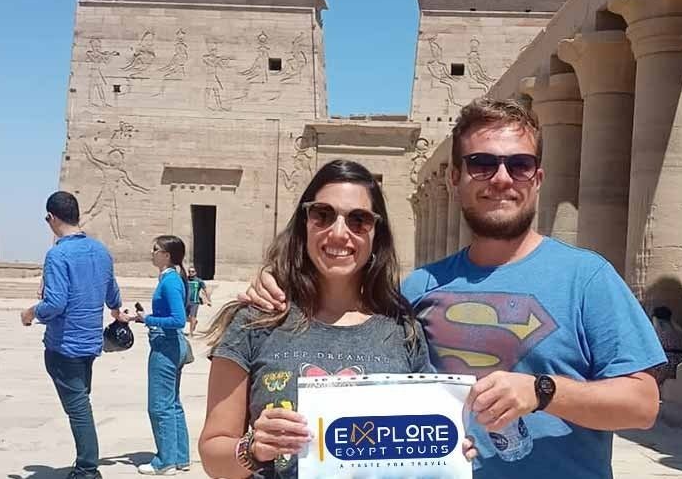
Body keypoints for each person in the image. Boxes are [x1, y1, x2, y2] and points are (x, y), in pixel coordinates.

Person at [244, 98, 666, 479]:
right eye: (482, 163)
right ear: (454, 177)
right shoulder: (419, 287)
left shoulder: (586, 278)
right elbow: (340, 313)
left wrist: (541, 391)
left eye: (518, 165)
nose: (502, 178)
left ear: (537, 178)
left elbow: (642, 405)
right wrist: (276, 285)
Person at [199, 160, 475, 479]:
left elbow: (422, 443)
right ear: (305, 223)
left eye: (358, 220)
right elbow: (213, 456)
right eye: (323, 215)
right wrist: (254, 447)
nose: (339, 233)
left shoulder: (403, 330)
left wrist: (449, 449)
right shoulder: (253, 322)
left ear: (376, 235)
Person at [21, 191, 122, 479]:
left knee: (78, 409)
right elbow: (112, 293)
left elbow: (55, 303)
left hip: (65, 346)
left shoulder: (57, 254)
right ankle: (85, 465)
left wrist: (30, 312)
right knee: (81, 403)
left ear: (51, 218)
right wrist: (116, 311)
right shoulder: (101, 250)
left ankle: (88, 469)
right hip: (91, 343)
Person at [115, 235, 191, 475]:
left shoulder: (170, 281)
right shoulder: (174, 279)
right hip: (171, 345)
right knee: (173, 404)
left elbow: (178, 320)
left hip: (165, 346)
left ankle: (165, 461)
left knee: (159, 406)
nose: (152, 252)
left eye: (156, 249)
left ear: (167, 255)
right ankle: (180, 457)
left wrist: (145, 319)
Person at [187, 266, 212, 336]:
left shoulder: (199, 281)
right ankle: (194, 322)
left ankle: (191, 333)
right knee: (183, 317)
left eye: (192, 271)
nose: (190, 273)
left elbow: (206, 290)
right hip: (186, 301)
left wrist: (209, 300)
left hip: (195, 302)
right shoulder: (186, 280)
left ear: (195, 272)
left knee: (193, 317)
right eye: (189, 271)